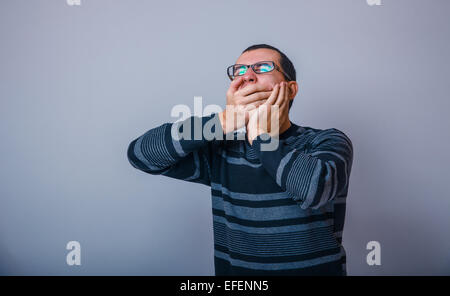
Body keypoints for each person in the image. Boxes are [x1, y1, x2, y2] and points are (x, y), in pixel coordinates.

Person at [127, 44, 354, 276]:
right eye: (239, 70)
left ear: (291, 89)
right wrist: (224, 121)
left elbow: (313, 189)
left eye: (262, 67)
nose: (247, 76)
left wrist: (259, 135)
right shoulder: (222, 151)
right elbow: (141, 155)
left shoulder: (326, 140)